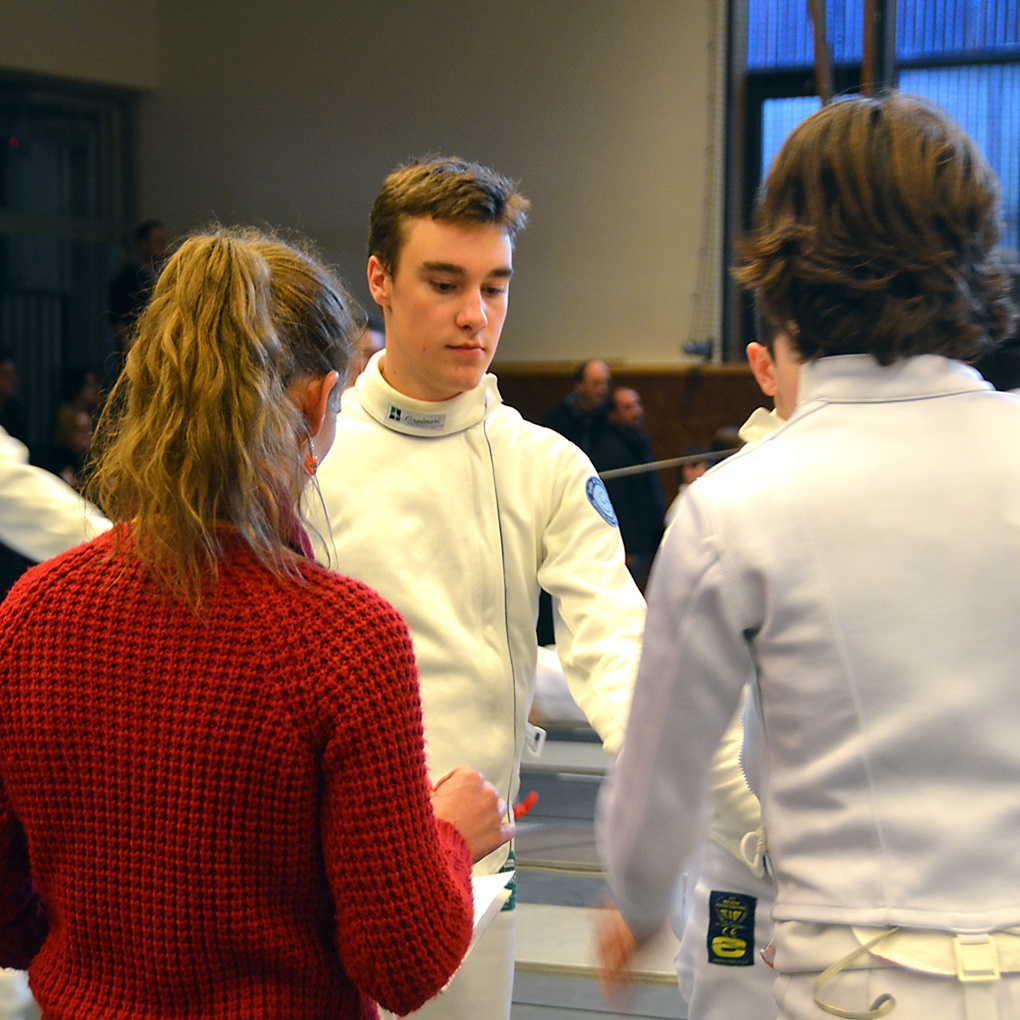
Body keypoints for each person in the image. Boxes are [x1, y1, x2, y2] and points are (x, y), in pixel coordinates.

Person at [0, 227, 513, 1019]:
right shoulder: (344, 640)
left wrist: (109, 953)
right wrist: (446, 837)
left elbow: (9, 915)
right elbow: (402, 963)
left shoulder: (32, 614)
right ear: (316, 402)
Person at [597, 94, 1020, 1020]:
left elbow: (659, 785)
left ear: (785, 269)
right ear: (972, 254)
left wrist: (636, 899)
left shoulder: (737, 504)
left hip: (854, 983)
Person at [305, 157, 645, 1020]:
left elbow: (616, 642)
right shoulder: (305, 452)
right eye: (445, 283)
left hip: (478, 876)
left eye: (495, 286)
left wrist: (666, 795)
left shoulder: (544, 465)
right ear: (380, 279)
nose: (475, 315)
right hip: (319, 875)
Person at [669, 319, 801, 1020]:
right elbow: (690, 716)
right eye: (812, 354)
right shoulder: (720, 507)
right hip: (748, 870)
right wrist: (767, 842)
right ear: (763, 366)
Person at [601, 386, 666, 588]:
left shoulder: (639, 442)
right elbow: (616, 501)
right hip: (630, 547)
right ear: (613, 414)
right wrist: (626, 546)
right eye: (627, 407)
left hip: (647, 539)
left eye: (637, 405)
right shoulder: (610, 449)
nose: (636, 412)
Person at [108, 219, 169, 352]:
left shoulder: (165, 278)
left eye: (164, 241)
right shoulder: (126, 280)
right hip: (138, 349)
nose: (163, 246)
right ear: (143, 244)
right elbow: (119, 322)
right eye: (158, 241)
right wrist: (133, 350)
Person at [541, 358, 613, 458]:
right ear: (579, 385)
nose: (603, 389)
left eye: (606, 383)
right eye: (596, 383)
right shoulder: (557, 417)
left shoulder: (613, 415)